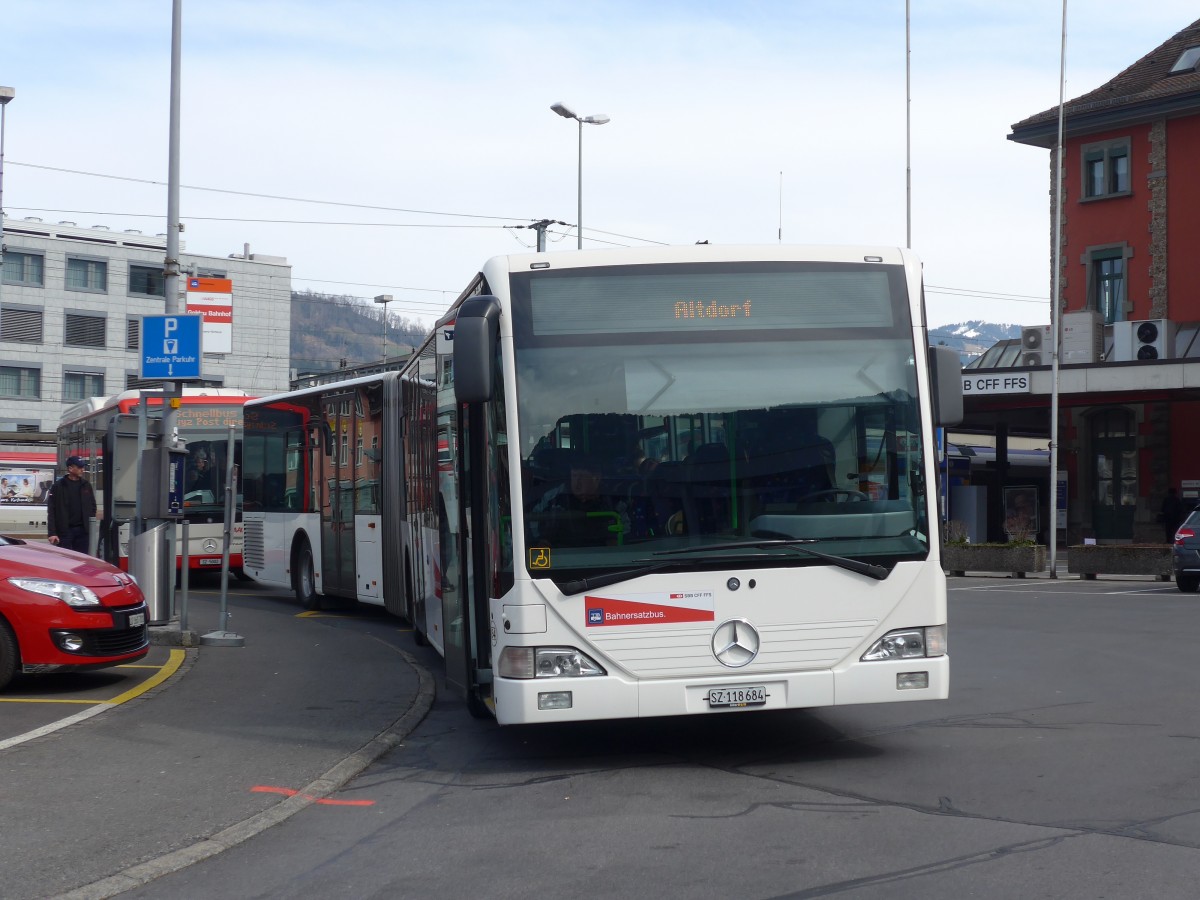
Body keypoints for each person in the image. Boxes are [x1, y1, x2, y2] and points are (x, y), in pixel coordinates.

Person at [532, 456, 614, 547]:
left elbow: (626, 530)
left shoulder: (612, 498)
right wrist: (539, 540)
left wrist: (615, 542)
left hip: (603, 556)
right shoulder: (554, 498)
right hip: (561, 555)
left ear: (596, 478)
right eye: (574, 476)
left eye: (581, 477)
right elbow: (532, 519)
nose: (576, 483)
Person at [47, 456, 101, 555]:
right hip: (65, 531)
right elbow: (51, 511)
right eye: (80, 467)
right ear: (70, 469)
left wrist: (88, 522)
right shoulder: (58, 486)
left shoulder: (86, 485)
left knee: (82, 560)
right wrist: (52, 533)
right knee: (64, 560)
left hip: (83, 531)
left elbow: (93, 505)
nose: (82, 470)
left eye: (83, 467)